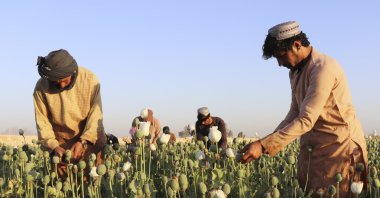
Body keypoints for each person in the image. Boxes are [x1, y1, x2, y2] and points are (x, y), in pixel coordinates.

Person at [239, 21, 368, 196]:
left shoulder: (323, 69)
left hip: (339, 148)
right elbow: (294, 113)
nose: (279, 63)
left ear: (297, 45)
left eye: (281, 56)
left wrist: (263, 146)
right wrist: (264, 142)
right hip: (314, 148)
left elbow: (306, 119)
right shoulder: (295, 72)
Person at [33, 49, 107, 176]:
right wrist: (54, 147)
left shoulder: (90, 80)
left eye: (64, 80)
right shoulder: (41, 88)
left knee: (93, 186)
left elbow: (95, 117)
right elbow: (43, 123)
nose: (61, 85)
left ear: (73, 73)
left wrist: (83, 142)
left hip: (90, 141)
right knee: (66, 187)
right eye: (56, 82)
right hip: (61, 147)